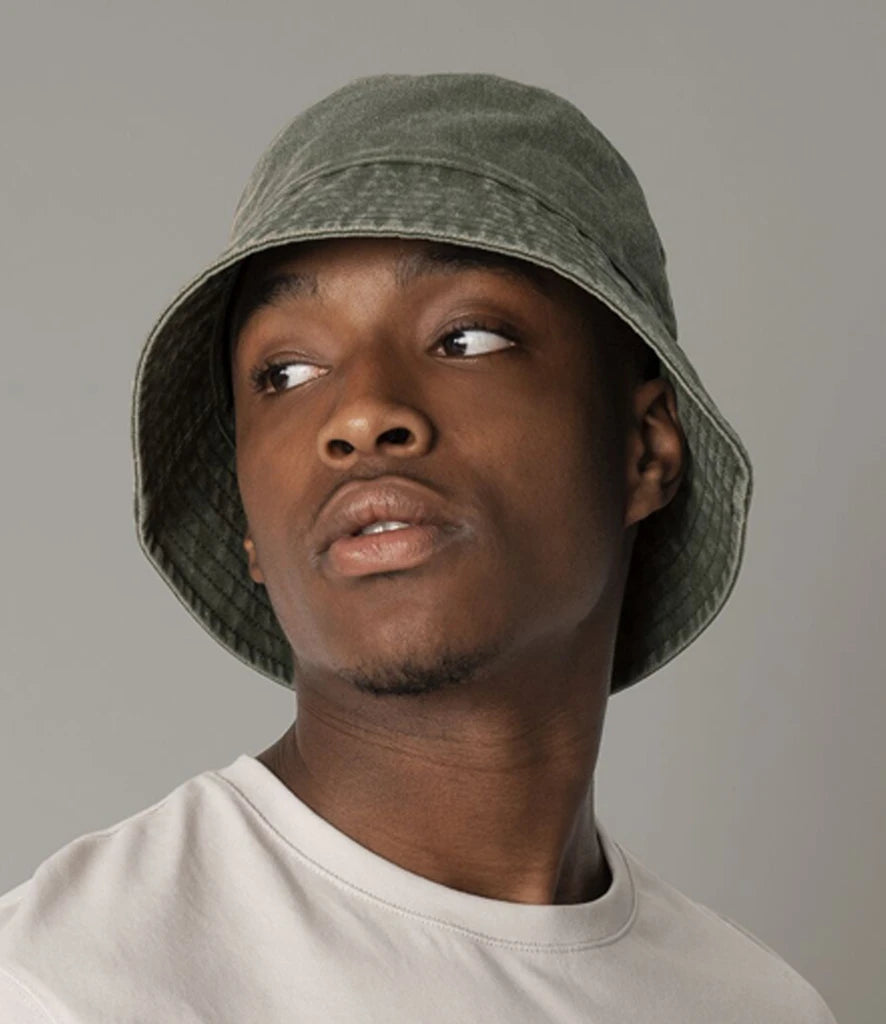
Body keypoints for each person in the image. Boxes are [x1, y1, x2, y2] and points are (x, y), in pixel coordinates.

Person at [0, 72, 838, 1022]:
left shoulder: (758, 1006)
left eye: (468, 338)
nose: (359, 415)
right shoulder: (68, 985)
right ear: (248, 527)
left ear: (644, 449)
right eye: (287, 370)